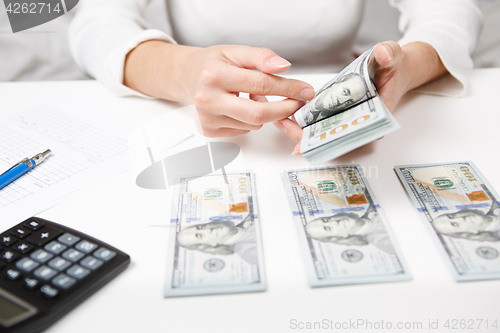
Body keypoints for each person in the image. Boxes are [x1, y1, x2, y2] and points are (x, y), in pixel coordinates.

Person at [68, 0, 482, 148]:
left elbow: (450, 10)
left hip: (354, 104)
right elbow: (96, 24)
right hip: (197, 128)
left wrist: (406, 69)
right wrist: (182, 69)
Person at [304, 210, 396, 254]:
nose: (334, 222)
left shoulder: (372, 206)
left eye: (325, 220)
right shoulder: (381, 241)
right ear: (341, 237)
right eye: (328, 228)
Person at [177, 219, 258, 265]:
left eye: (200, 227)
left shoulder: (246, 217)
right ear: (210, 245)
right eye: (200, 236)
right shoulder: (248, 252)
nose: (208, 230)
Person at [432, 209, 500, 242]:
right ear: (467, 233)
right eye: (456, 224)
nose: (461, 218)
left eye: (451, 216)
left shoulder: (496, 207)